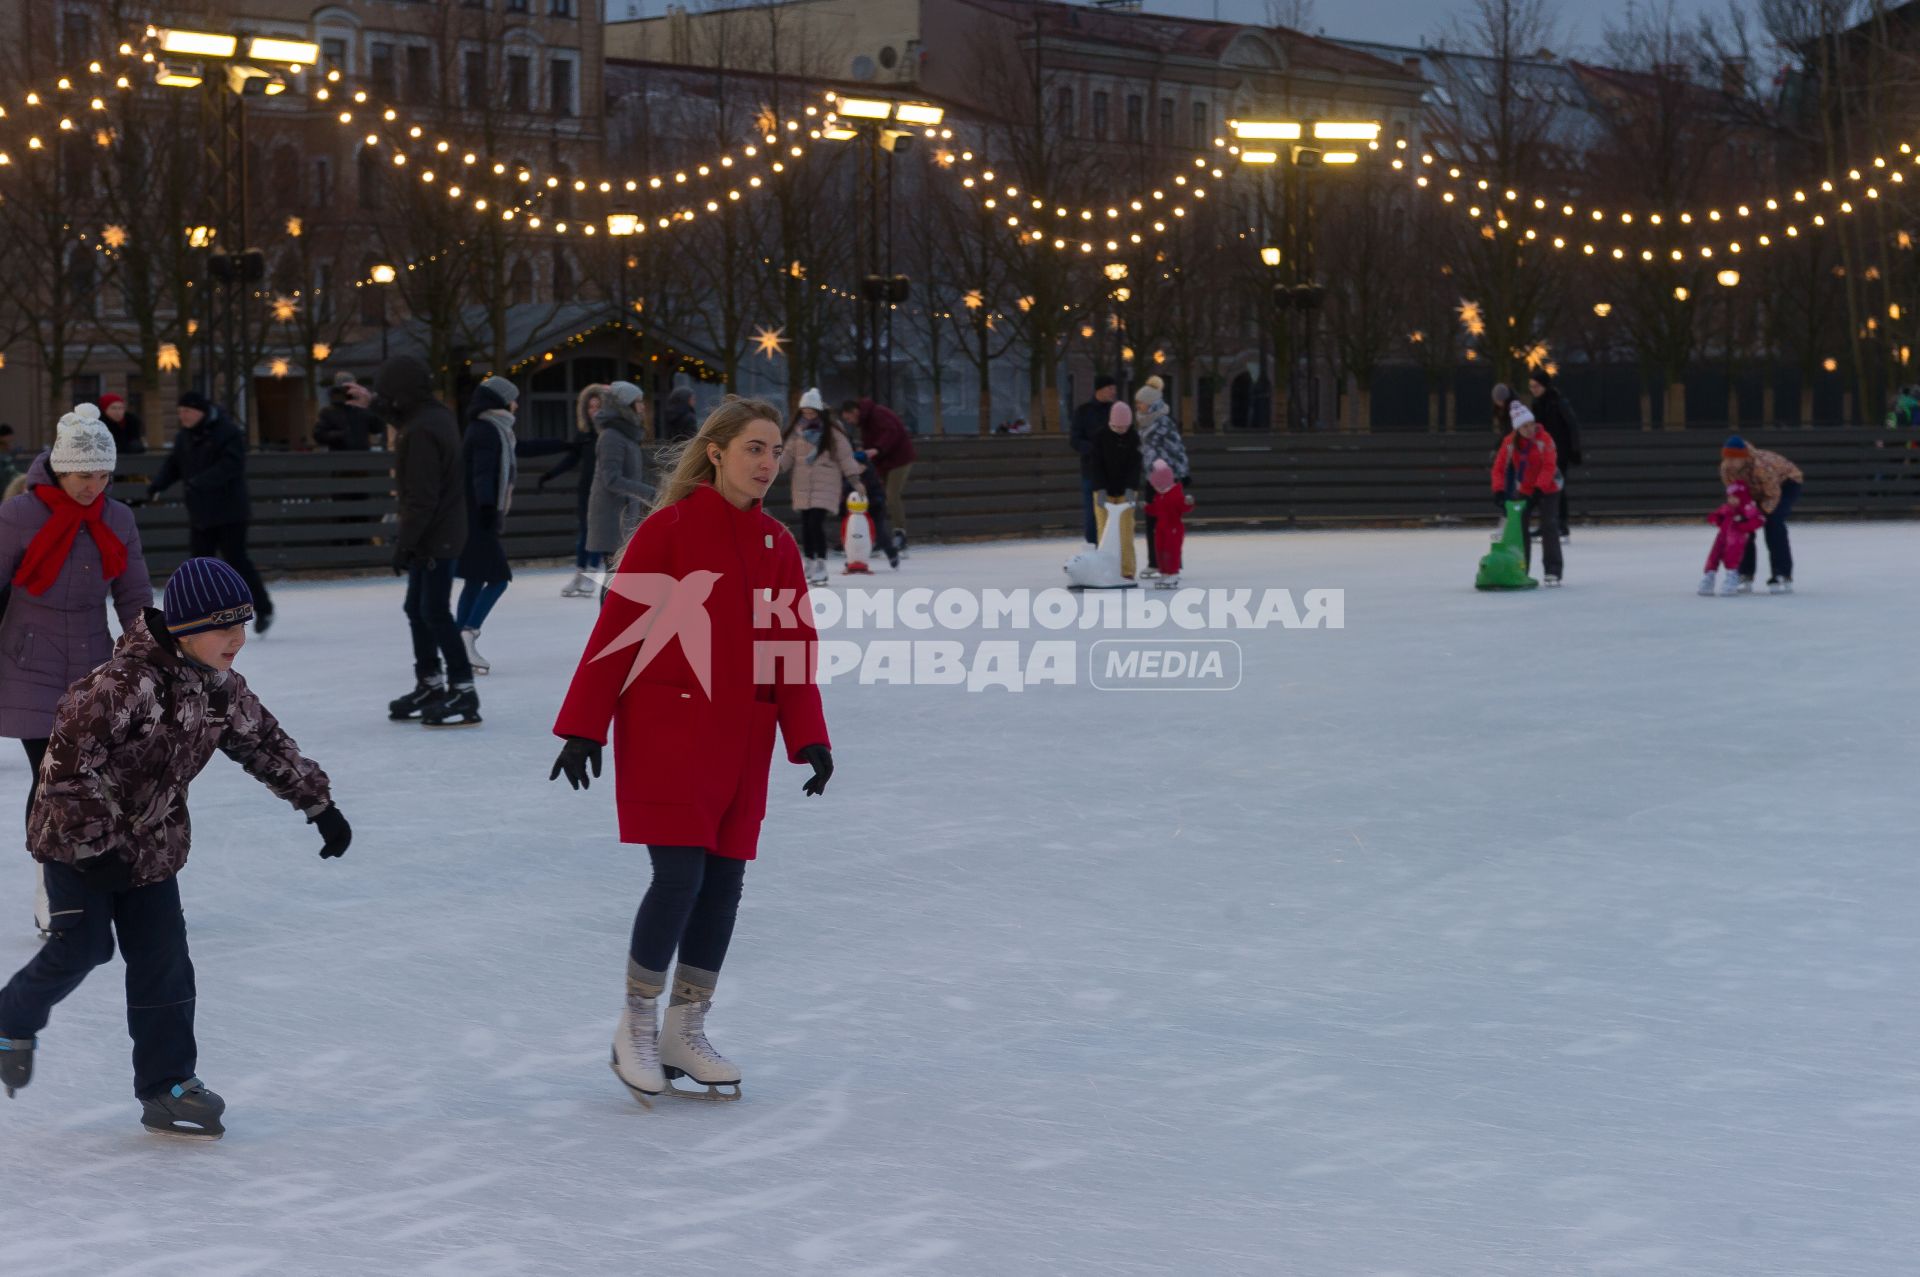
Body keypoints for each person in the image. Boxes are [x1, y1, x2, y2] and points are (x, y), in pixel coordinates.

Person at [0, 557, 349, 1137]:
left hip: (153, 846)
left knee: (165, 965)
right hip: (77, 843)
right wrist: (94, 844)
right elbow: (65, 770)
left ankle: (167, 1087)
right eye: (223, 626)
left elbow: (263, 741)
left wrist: (318, 803)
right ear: (185, 629)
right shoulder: (118, 686)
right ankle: (11, 1019)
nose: (238, 638)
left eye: (244, 623)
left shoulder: (220, 689)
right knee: (83, 947)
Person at [549, 396, 833, 1106]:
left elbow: (792, 653)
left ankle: (685, 1027)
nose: (768, 463)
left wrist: (810, 736)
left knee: (724, 882)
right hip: (670, 732)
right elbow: (617, 630)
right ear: (717, 451)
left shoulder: (779, 546)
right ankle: (636, 1025)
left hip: (742, 744)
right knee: (678, 874)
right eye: (754, 449)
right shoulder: (668, 531)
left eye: (776, 451)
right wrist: (585, 724)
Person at [0, 404, 152, 941]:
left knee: (94, 777)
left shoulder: (118, 520)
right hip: (28, 662)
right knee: (51, 780)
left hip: (92, 668)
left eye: (104, 475)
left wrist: (148, 655)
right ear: (61, 469)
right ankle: (51, 886)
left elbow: (133, 596)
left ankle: (94, 876)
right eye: (85, 475)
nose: (95, 486)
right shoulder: (18, 515)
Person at [349, 356, 478, 726]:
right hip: (438, 532)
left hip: (434, 536)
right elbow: (405, 418)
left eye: (388, 393)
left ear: (402, 392)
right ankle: (431, 684)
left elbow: (422, 498)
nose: (387, 399)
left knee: (435, 612)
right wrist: (371, 401)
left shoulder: (421, 430)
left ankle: (464, 691)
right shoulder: (431, 416)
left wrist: (405, 545)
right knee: (418, 609)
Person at [149, 391, 273, 635]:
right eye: (180, 411)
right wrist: (157, 485)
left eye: (186, 411)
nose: (182, 416)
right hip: (201, 513)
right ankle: (203, 615)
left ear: (200, 411)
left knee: (237, 560)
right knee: (199, 565)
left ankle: (263, 608)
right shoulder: (184, 437)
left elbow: (231, 465)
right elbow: (173, 465)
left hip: (230, 512)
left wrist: (201, 482)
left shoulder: (227, 432)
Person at [454, 377, 523, 676]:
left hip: (469, 516)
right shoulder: (487, 431)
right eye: (513, 398)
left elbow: (518, 451)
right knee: (498, 578)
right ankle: (468, 634)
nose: (516, 404)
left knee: (473, 579)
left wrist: (564, 445)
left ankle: (457, 647)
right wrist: (486, 510)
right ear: (500, 401)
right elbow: (482, 472)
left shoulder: (491, 430)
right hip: (478, 518)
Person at [780, 388, 863, 586]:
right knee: (806, 525)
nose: (808, 415)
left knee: (816, 523)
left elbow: (845, 457)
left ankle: (821, 565)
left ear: (819, 411)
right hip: (802, 484)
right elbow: (787, 456)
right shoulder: (797, 432)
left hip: (826, 484)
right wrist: (772, 469)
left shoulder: (832, 432)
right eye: (805, 412)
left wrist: (855, 480)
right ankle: (809, 561)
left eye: (812, 412)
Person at [1490, 386, 1563, 586]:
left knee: (1548, 525)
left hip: (1549, 487)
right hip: (1526, 488)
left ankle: (1553, 571)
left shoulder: (1544, 439)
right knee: (1519, 527)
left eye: (1531, 424)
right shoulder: (1509, 443)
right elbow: (1498, 469)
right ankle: (1521, 568)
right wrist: (1498, 491)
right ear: (1517, 429)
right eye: (1525, 427)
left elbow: (1549, 466)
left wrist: (1539, 490)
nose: (1530, 429)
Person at [542, 384, 609, 598]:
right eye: (590, 406)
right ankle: (580, 573)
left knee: (596, 533)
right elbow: (573, 458)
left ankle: (591, 573)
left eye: (598, 406)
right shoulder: (585, 435)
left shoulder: (610, 434)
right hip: (585, 489)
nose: (594, 411)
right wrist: (551, 474)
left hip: (604, 490)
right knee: (584, 533)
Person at [586, 382, 655, 577]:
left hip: (624, 515)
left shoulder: (626, 434)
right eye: (638, 402)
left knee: (619, 579)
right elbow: (612, 479)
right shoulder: (611, 436)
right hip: (612, 518)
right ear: (625, 405)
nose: (642, 406)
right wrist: (647, 492)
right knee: (615, 579)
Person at [1720, 436, 1803, 593]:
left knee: (1774, 522)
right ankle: (1745, 573)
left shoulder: (1761, 466)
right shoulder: (1726, 469)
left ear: (1744, 457)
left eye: (1734, 458)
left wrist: (1760, 514)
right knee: (1743, 526)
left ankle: (1782, 573)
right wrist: (1741, 512)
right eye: (1727, 457)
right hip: (1754, 491)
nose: (1730, 462)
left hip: (1785, 485)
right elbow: (1735, 492)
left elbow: (1772, 494)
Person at [838, 397, 917, 555]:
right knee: (877, 497)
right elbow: (872, 440)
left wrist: (877, 449)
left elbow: (891, 432)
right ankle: (879, 537)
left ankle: (899, 534)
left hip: (900, 459)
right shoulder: (865, 421)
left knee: (891, 495)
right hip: (884, 462)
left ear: (855, 412)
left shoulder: (878, 414)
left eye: (849, 418)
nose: (850, 422)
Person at [1133, 376, 1189, 580]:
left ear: (1151, 403)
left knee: (1169, 522)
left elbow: (1177, 449)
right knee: (1151, 520)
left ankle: (1173, 562)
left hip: (1168, 480)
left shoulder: (1164, 422)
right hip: (1151, 478)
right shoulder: (1143, 422)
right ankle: (1154, 562)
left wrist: (1182, 473)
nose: (1138, 405)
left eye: (1141, 402)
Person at [1089, 400, 1142, 581]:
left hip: (1126, 491)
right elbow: (1095, 465)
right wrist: (1100, 488)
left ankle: (1127, 570)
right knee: (1104, 531)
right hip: (1104, 490)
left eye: (1124, 427)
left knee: (1126, 531)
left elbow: (1136, 466)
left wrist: (1131, 488)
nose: (1120, 430)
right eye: (1116, 427)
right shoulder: (1100, 437)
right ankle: (1104, 569)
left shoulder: (1134, 437)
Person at [1528, 371, 1581, 538]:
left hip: (1560, 452)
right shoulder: (1537, 404)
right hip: (1544, 453)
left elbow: (1572, 425)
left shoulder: (1559, 402)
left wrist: (1575, 449)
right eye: (1531, 386)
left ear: (1545, 386)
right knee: (1543, 487)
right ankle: (1547, 524)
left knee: (1558, 487)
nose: (1533, 389)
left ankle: (1561, 525)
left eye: (1536, 386)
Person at [1069, 376, 1120, 544]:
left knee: (1112, 512)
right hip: (1091, 471)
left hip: (1112, 471)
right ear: (1100, 389)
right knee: (1092, 512)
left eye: (1114, 388)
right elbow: (1075, 440)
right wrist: (1093, 449)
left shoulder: (1116, 410)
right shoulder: (1083, 411)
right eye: (1110, 388)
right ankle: (1092, 547)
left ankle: (1110, 547)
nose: (1113, 392)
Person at [1700, 481, 1765, 597]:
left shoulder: (1748, 508)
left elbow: (1759, 520)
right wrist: (1715, 519)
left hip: (1738, 538)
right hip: (1722, 536)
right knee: (1713, 556)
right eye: (1730, 497)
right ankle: (1709, 577)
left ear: (1743, 497)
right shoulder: (1727, 508)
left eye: (1735, 497)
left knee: (1732, 556)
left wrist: (1743, 526)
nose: (1732, 500)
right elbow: (1716, 515)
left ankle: (1732, 578)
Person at [313, 372, 383, 452]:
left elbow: (377, 427)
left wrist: (368, 405)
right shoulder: (328, 412)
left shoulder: (361, 409)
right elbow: (319, 435)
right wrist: (340, 435)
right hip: (339, 456)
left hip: (361, 455)